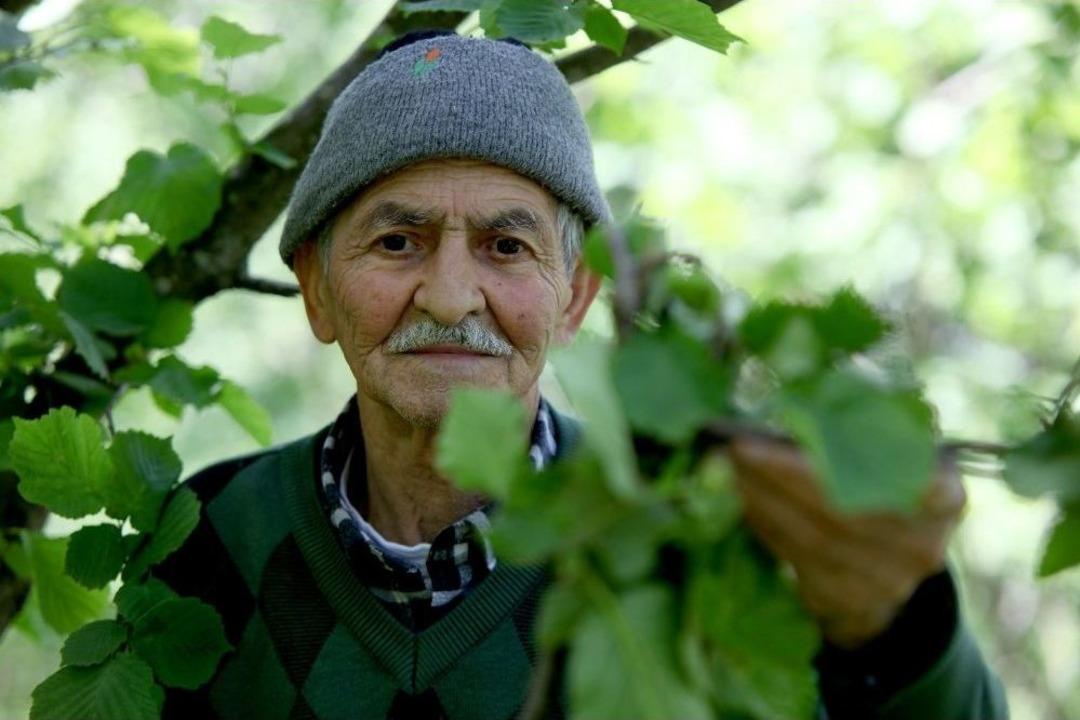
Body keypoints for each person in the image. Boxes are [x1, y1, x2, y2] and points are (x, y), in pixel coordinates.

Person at [156, 31, 1008, 719]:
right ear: (316, 289)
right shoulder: (209, 536)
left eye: (506, 246)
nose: (452, 298)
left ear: (574, 299)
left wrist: (899, 631)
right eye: (397, 242)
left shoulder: (682, 535)